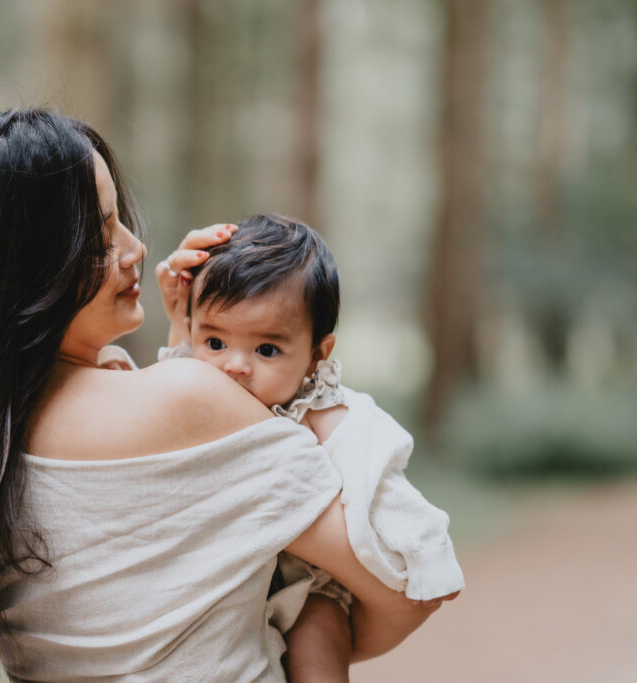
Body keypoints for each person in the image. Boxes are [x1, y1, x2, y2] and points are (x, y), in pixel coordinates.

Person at [0, 109, 438, 683]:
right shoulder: (190, 400)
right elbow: (409, 582)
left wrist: (189, 337)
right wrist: (308, 631)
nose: (136, 249)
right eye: (99, 236)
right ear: (16, 273)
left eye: (120, 220)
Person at [156, 214, 464, 680]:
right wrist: (178, 323)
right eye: (215, 341)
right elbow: (170, 382)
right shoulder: (199, 382)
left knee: (320, 633)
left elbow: (379, 479)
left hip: (308, 582)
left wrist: (427, 552)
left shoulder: (321, 413)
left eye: (266, 350)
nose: (234, 366)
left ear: (318, 356)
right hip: (222, 574)